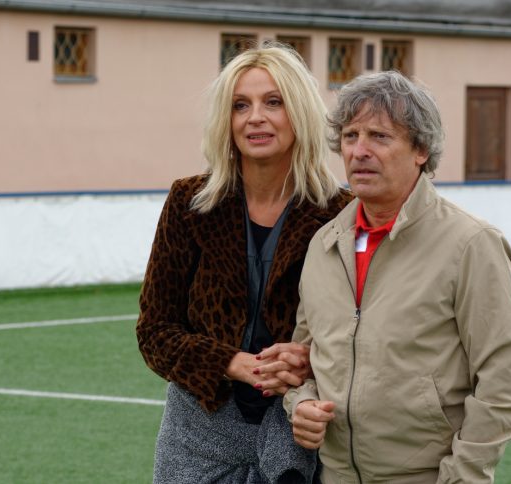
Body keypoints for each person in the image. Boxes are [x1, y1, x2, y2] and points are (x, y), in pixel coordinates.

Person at [275, 71, 511, 483]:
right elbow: (304, 360)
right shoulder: (324, 244)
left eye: (379, 136)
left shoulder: (471, 244)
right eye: (350, 136)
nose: (359, 151)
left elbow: (504, 388)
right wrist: (301, 404)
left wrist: (460, 477)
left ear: (421, 150)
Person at [136, 43, 352, 484]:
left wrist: (310, 359)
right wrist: (232, 362)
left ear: (300, 113)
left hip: (297, 426)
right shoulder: (189, 203)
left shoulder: (341, 214)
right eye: (240, 105)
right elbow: (155, 331)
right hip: (197, 434)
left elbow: (365, 333)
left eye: (273, 102)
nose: (255, 117)